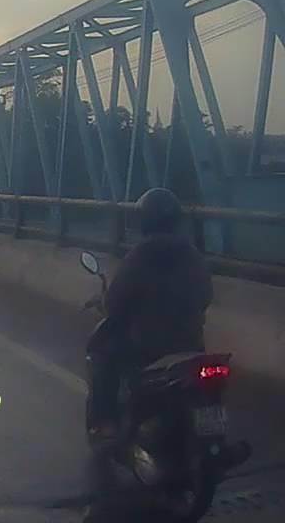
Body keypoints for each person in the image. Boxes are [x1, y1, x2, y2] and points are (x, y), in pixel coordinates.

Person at [85, 187, 214, 447]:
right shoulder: (193, 255)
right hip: (191, 344)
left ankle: (107, 422)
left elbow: (116, 302)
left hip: (147, 347)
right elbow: (206, 297)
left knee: (102, 354)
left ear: (144, 221)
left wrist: (105, 302)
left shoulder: (139, 256)